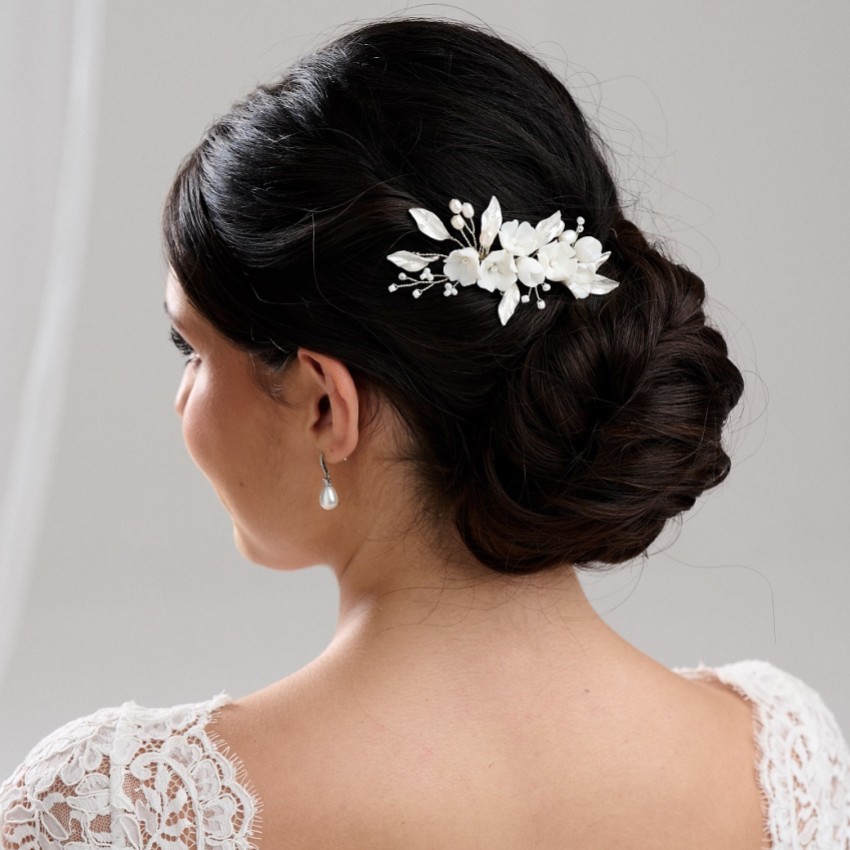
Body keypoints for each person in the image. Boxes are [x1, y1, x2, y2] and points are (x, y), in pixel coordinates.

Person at [1, 17, 848, 850]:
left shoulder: (116, 813)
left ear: (326, 405)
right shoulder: (785, 763)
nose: (180, 399)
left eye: (192, 348)